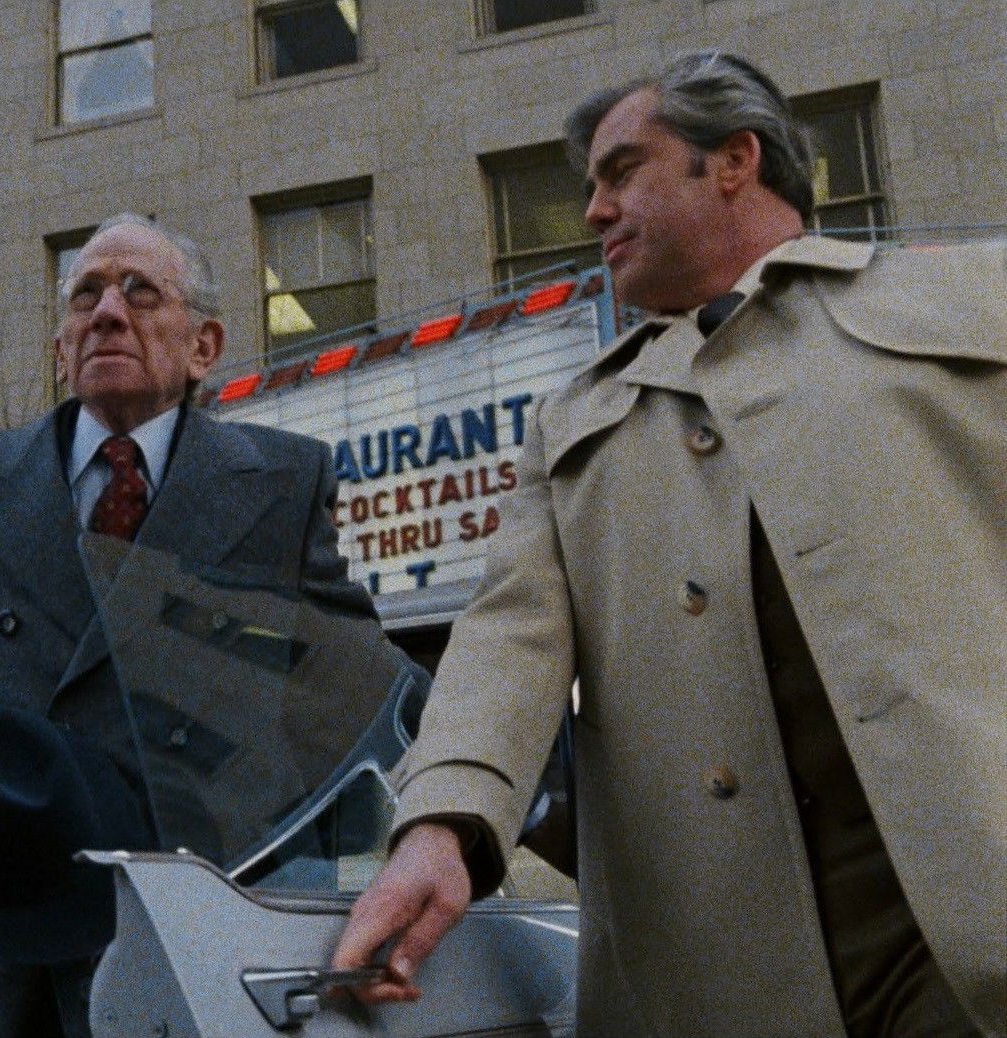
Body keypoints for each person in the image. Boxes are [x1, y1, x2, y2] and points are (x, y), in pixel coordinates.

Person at [331, 52, 1004, 1037]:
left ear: (733, 160)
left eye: (622, 171)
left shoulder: (972, 300)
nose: (593, 210)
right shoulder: (569, 421)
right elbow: (506, 639)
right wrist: (440, 825)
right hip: (711, 974)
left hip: (971, 925)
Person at [0, 213, 378, 1037]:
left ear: (203, 346)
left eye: (140, 292)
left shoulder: (282, 480)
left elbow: (354, 694)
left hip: (211, 941)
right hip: (10, 943)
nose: (106, 313)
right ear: (62, 350)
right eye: (85, 296)